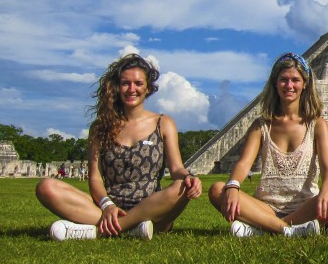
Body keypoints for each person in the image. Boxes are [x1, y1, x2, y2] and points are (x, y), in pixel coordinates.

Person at [35, 54, 203, 241]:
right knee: (46, 187)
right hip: (109, 206)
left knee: (181, 187)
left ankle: (98, 231)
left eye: (138, 83)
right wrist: (107, 205)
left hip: (151, 208)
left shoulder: (163, 123)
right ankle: (131, 229)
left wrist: (189, 178)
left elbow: (176, 169)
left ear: (148, 88)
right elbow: (95, 177)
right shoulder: (100, 127)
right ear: (117, 86)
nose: (132, 89)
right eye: (125, 83)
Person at [208, 53, 328, 237]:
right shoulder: (262, 125)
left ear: (305, 83)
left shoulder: (317, 124)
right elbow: (244, 164)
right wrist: (233, 186)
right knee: (218, 189)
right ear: (275, 83)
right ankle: (288, 231)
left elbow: (327, 167)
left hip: (305, 206)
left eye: (295, 80)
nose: (289, 86)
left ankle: (262, 228)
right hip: (266, 207)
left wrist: (326, 189)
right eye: (283, 80)